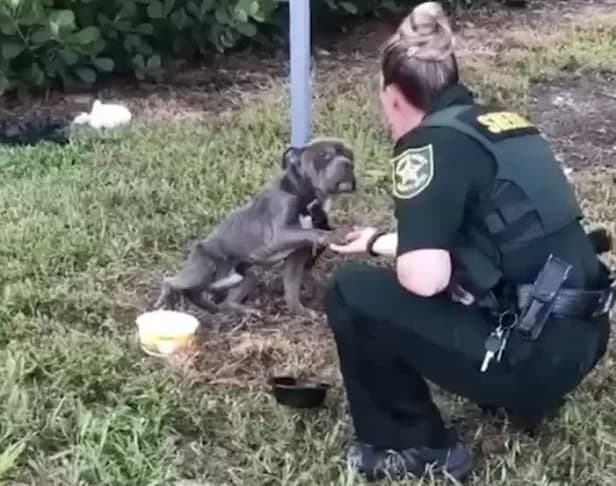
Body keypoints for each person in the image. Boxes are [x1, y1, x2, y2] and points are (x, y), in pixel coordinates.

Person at [323, 1, 614, 482]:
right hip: (579, 343)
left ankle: (415, 445)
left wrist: (399, 261)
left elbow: (425, 277)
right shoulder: (501, 124)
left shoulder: (426, 146)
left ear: (393, 95)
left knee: (350, 292)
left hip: (527, 362)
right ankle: (524, 397)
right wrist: (378, 241)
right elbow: (495, 243)